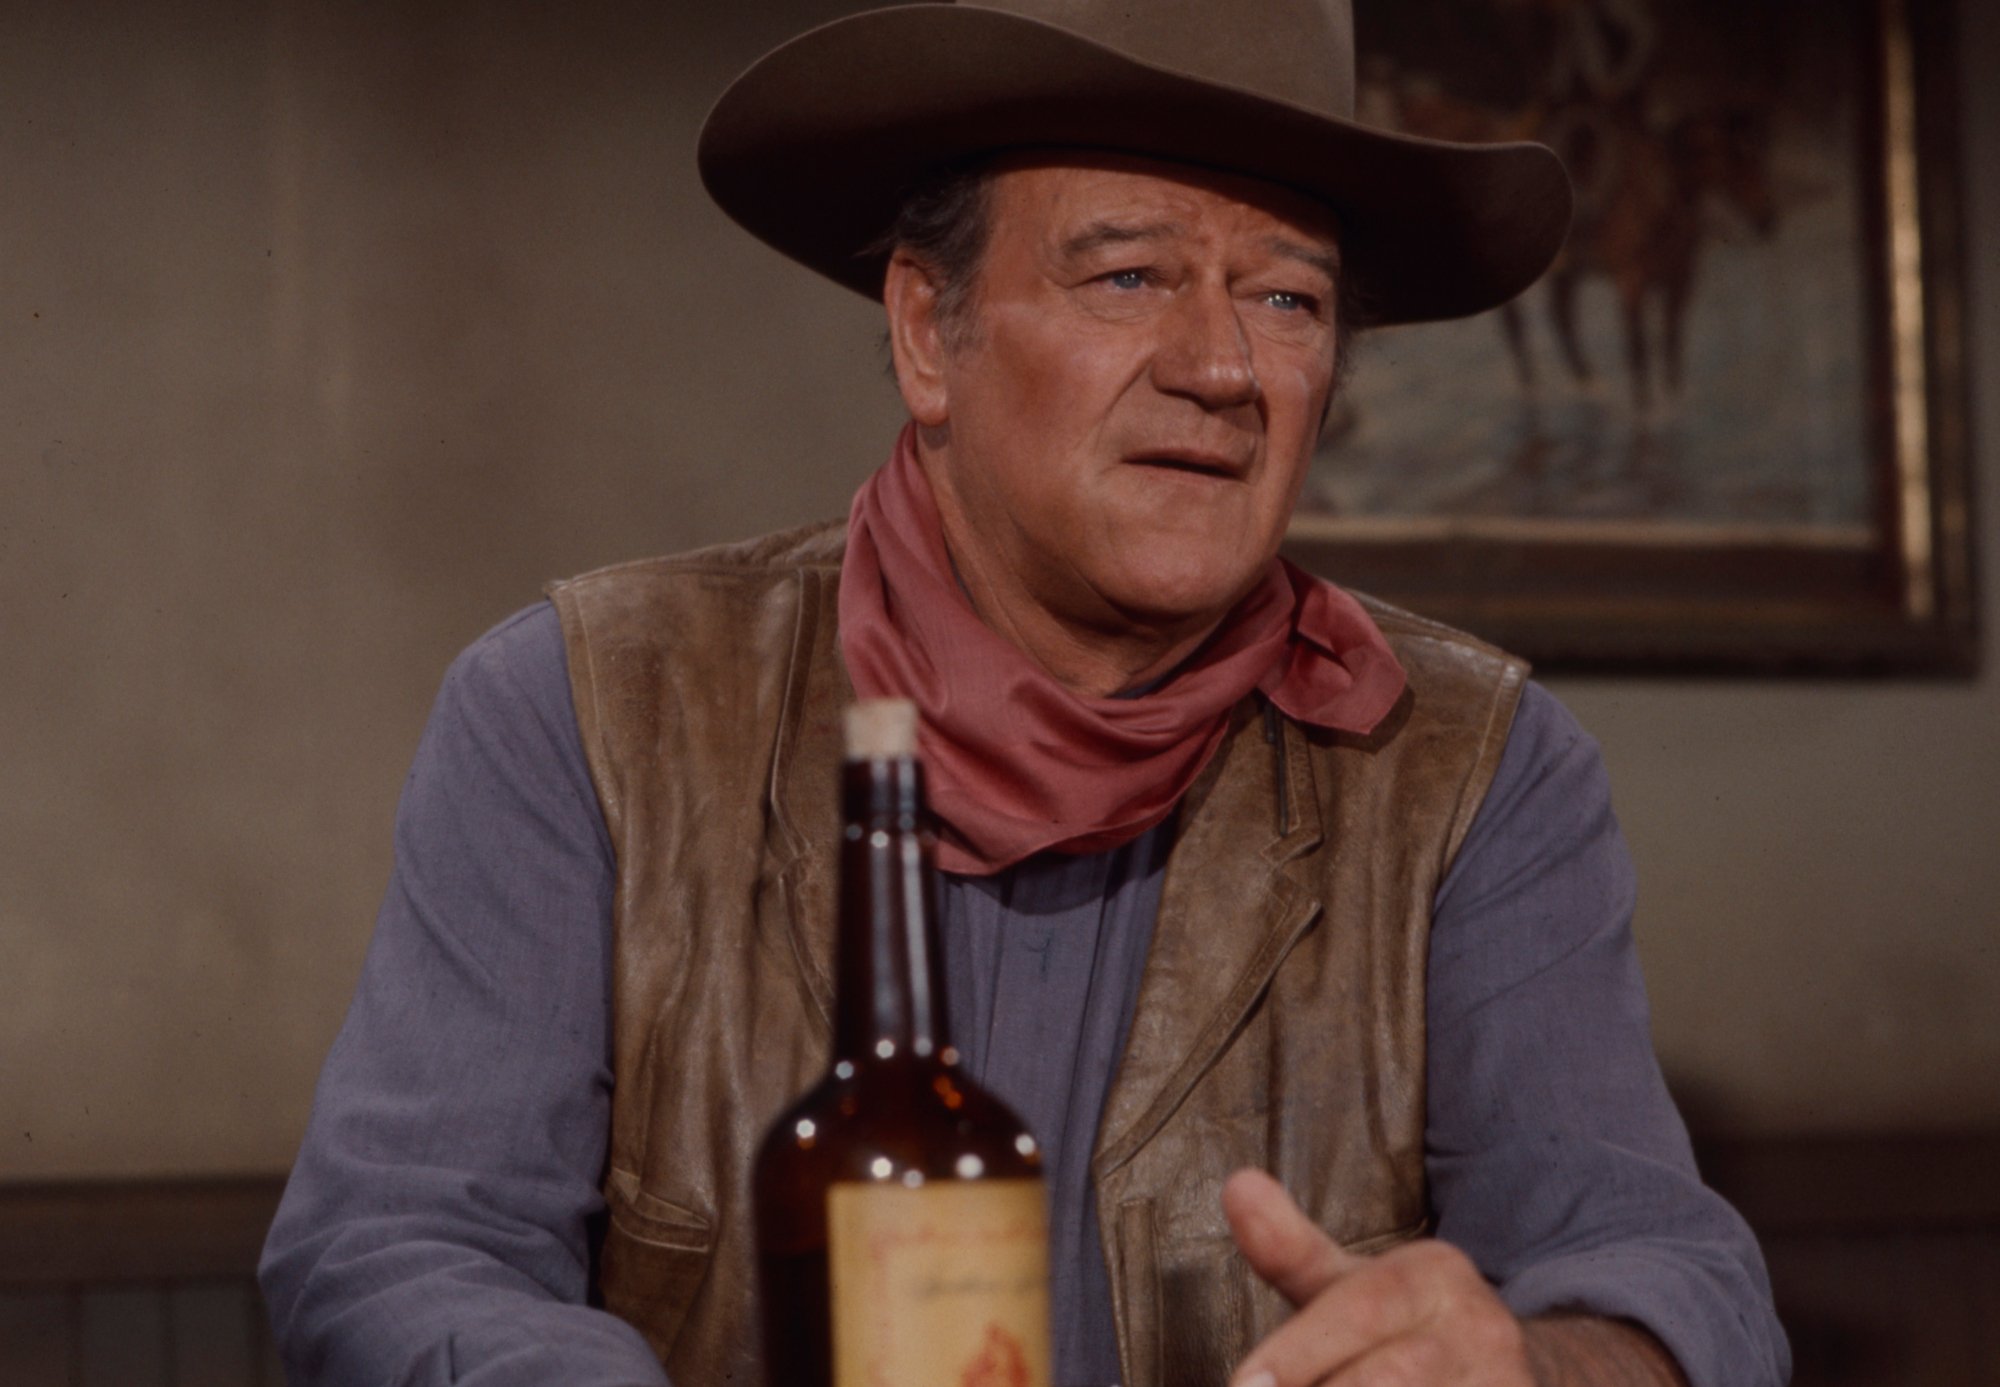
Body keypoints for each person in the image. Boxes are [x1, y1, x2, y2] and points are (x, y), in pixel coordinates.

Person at [260, 2, 1790, 1385]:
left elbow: (1668, 1271)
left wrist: (1537, 1368)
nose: (1222, 368)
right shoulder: (590, 707)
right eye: (1129, 274)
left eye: (1287, 303)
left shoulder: (1476, 767)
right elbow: (398, 1248)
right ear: (931, 332)